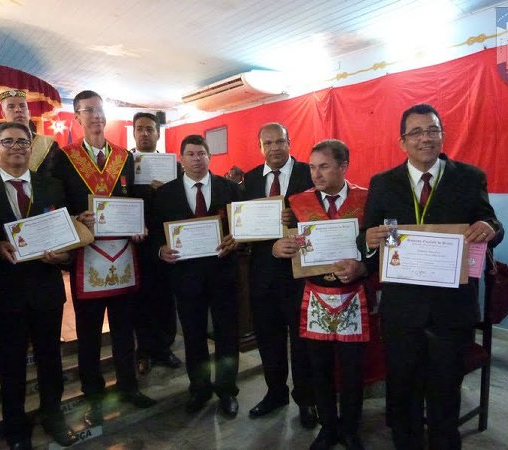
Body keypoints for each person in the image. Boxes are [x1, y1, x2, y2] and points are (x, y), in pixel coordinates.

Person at [362, 103, 504, 450]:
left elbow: (492, 223)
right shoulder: (383, 183)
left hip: (451, 308)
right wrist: (367, 240)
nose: (425, 138)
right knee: (403, 391)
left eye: (432, 130)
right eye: (416, 132)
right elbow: (367, 236)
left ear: (442, 135)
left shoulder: (469, 177)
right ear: (402, 141)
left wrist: (490, 228)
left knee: (445, 393)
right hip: (402, 309)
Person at [0, 122, 77, 449]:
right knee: (11, 364)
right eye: (8, 142)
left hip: (46, 289)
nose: (16, 147)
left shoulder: (52, 186)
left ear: (31, 147)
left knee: (50, 360)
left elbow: (67, 233)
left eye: (23, 141)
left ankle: (53, 416)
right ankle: (15, 430)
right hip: (4, 293)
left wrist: (65, 256)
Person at [51, 91, 155, 427]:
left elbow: (136, 200)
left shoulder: (124, 157)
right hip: (87, 256)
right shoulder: (64, 158)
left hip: (124, 255)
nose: (96, 116)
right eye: (89, 110)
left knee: (124, 329)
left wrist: (140, 225)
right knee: (90, 333)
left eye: (100, 110)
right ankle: (93, 393)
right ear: (77, 117)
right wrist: (75, 218)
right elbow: (54, 205)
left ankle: (128, 386)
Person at [273, 139, 371, 450]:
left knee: (353, 370)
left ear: (343, 166)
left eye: (324, 166)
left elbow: (380, 247)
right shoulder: (298, 202)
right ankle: (328, 427)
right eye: (313, 167)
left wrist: (364, 267)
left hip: (354, 295)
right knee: (320, 368)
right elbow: (287, 243)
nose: (316, 174)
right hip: (314, 296)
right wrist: (279, 247)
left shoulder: (367, 199)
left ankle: (351, 428)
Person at [151, 134, 242, 417]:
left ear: (209, 157)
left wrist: (238, 240)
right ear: (181, 159)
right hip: (186, 278)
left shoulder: (231, 189)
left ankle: (227, 390)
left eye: (201, 153)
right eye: (190, 154)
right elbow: (154, 233)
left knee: (227, 336)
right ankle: (199, 389)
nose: (196, 159)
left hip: (223, 275)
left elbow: (243, 226)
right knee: (193, 337)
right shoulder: (165, 194)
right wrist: (160, 250)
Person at [243, 123, 317, 427]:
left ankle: (306, 400)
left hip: (300, 275)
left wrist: (297, 219)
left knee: (302, 343)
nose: (274, 148)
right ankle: (275, 393)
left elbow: (322, 219)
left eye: (280, 141)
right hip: (262, 276)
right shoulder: (249, 180)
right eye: (268, 143)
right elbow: (244, 229)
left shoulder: (308, 173)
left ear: (289, 142)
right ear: (260, 147)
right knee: (268, 339)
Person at [130, 112, 181, 373]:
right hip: (136, 243)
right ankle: (144, 352)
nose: (145, 133)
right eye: (140, 129)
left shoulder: (174, 166)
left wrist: (167, 192)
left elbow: (182, 202)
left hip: (165, 242)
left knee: (165, 298)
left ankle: (164, 348)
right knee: (140, 300)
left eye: (150, 129)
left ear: (158, 134)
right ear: (133, 133)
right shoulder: (125, 165)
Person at [0, 90, 59, 177]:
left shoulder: (48, 144)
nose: (18, 110)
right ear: (3, 115)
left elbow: (57, 178)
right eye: (11, 107)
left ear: (29, 113)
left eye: (22, 106)